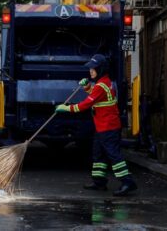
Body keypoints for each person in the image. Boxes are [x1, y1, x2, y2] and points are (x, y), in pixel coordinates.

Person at [55, 54, 137, 196]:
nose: (90, 71)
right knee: (98, 154)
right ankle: (99, 182)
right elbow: (96, 95)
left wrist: (66, 108)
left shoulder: (101, 85)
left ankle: (127, 182)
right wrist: (87, 87)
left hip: (108, 127)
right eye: (90, 69)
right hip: (103, 126)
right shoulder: (105, 82)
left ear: (100, 70)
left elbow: (85, 105)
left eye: (93, 69)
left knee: (113, 155)